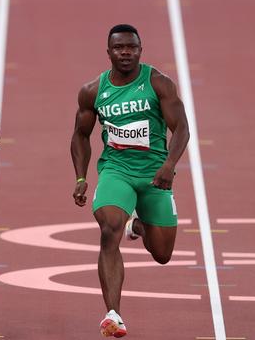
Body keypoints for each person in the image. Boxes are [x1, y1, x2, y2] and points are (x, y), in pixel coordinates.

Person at [71, 24, 190, 337]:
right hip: (116, 171)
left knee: (163, 255)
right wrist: (82, 176)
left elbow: (182, 129)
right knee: (109, 228)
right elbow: (81, 135)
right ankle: (113, 314)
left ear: (140, 50)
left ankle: (137, 225)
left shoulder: (158, 83)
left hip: (154, 175)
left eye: (132, 48)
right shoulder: (92, 91)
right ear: (108, 51)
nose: (126, 53)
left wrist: (169, 165)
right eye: (119, 48)